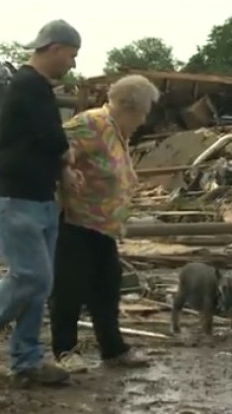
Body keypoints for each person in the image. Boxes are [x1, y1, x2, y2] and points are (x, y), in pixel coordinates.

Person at [0, 19, 83, 387]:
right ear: (54, 48)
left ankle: (26, 361)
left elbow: (43, 141)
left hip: (38, 197)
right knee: (32, 275)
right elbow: (52, 137)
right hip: (14, 197)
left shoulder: (38, 88)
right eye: (71, 55)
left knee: (40, 284)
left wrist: (62, 170)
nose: (73, 64)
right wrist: (68, 157)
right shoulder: (27, 85)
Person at [49, 75, 160, 373]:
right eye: (144, 111)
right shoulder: (93, 123)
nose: (144, 119)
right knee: (69, 288)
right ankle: (64, 350)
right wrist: (65, 173)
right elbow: (52, 143)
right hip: (77, 221)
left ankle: (113, 349)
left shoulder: (117, 130)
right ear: (130, 106)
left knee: (107, 287)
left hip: (103, 226)